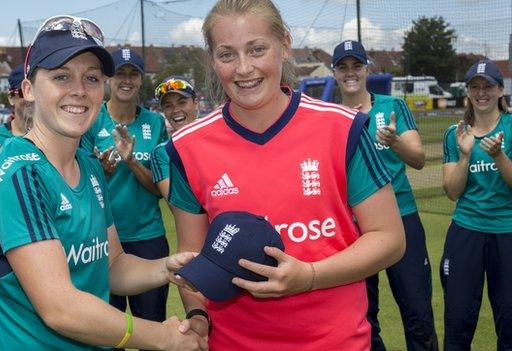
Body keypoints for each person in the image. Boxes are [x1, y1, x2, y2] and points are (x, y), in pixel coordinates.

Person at [167, 1, 406, 349]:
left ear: (285, 45)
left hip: (337, 342)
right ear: (211, 58)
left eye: (257, 49)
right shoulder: (186, 147)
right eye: (227, 55)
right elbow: (193, 258)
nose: (244, 68)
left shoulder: (342, 129)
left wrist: (309, 277)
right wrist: (199, 317)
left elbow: (390, 238)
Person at [0, 15, 206, 350]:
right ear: (28, 89)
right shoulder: (18, 172)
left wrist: (164, 268)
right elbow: (61, 309)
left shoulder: (89, 165)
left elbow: (110, 264)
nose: (79, 90)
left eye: (92, 78)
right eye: (61, 76)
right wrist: (160, 338)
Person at [331, 40, 437, 351]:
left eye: (356, 65)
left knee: (417, 310)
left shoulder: (391, 107)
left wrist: (394, 142)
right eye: (343, 67)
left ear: (367, 69)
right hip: (353, 226)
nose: (351, 73)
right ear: (335, 73)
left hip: (401, 217)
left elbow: (417, 158)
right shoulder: (331, 117)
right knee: (364, 316)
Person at [80, 48, 170, 328]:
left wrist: (130, 160)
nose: (127, 80)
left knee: (152, 326)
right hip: (102, 239)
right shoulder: (91, 121)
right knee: (108, 331)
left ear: (141, 79)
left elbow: (159, 190)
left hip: (148, 238)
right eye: (120, 73)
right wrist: (102, 174)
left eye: (134, 74)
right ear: (109, 78)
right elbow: (77, 186)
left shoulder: (154, 123)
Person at [441, 59, 512, 350]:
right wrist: (465, 155)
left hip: (506, 232)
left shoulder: (509, 126)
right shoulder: (455, 133)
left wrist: (499, 155)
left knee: (508, 320)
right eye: (475, 87)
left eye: (488, 86)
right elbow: (452, 192)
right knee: (458, 320)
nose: (481, 93)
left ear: (500, 90)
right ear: (467, 92)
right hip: (466, 231)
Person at [151, 76, 199, 199]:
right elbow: (177, 204)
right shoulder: (162, 152)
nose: (176, 110)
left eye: (182, 102)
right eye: (168, 106)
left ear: (196, 103)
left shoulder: (217, 137)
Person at [0, 64, 33, 150]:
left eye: (37, 91)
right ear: (11, 98)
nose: (31, 98)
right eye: (23, 93)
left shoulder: (55, 136)